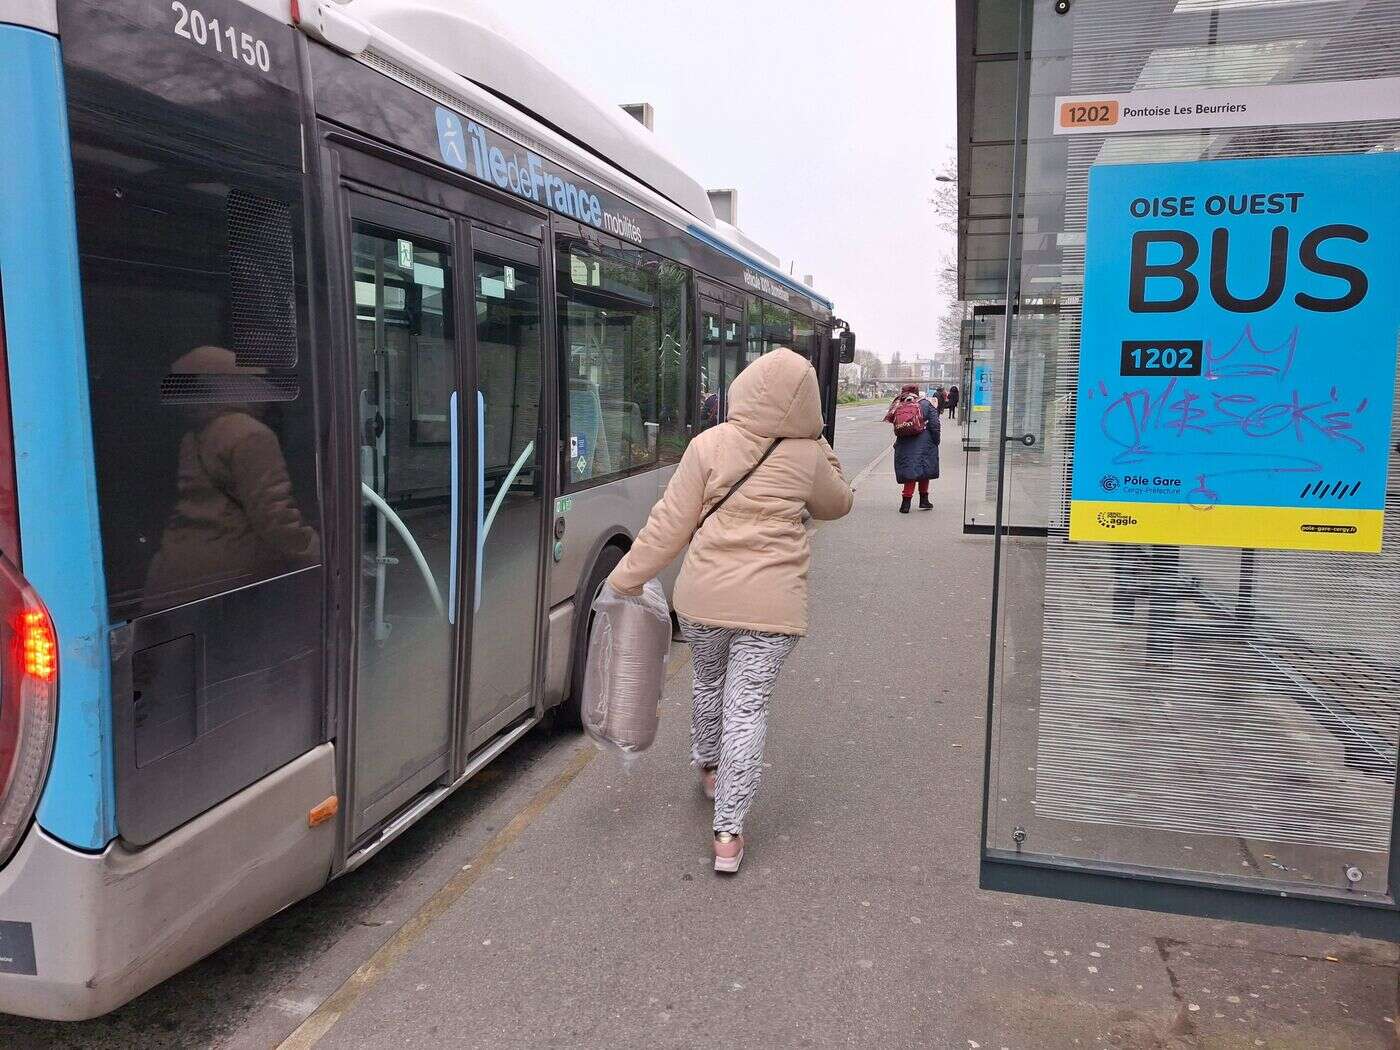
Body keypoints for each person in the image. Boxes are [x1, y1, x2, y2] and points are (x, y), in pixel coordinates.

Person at [607, 347, 853, 874]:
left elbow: (669, 524)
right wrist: (818, 443)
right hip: (771, 606)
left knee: (707, 682)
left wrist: (624, 578)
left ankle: (709, 766)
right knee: (748, 708)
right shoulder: (806, 456)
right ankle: (727, 833)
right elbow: (838, 505)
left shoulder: (708, 445)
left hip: (704, 599)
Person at [885, 383, 940, 513]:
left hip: (904, 442)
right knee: (924, 469)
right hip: (925, 441)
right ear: (917, 391)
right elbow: (935, 424)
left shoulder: (899, 405)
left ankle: (905, 503)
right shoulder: (926, 404)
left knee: (910, 470)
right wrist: (936, 440)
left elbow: (895, 422)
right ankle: (924, 500)